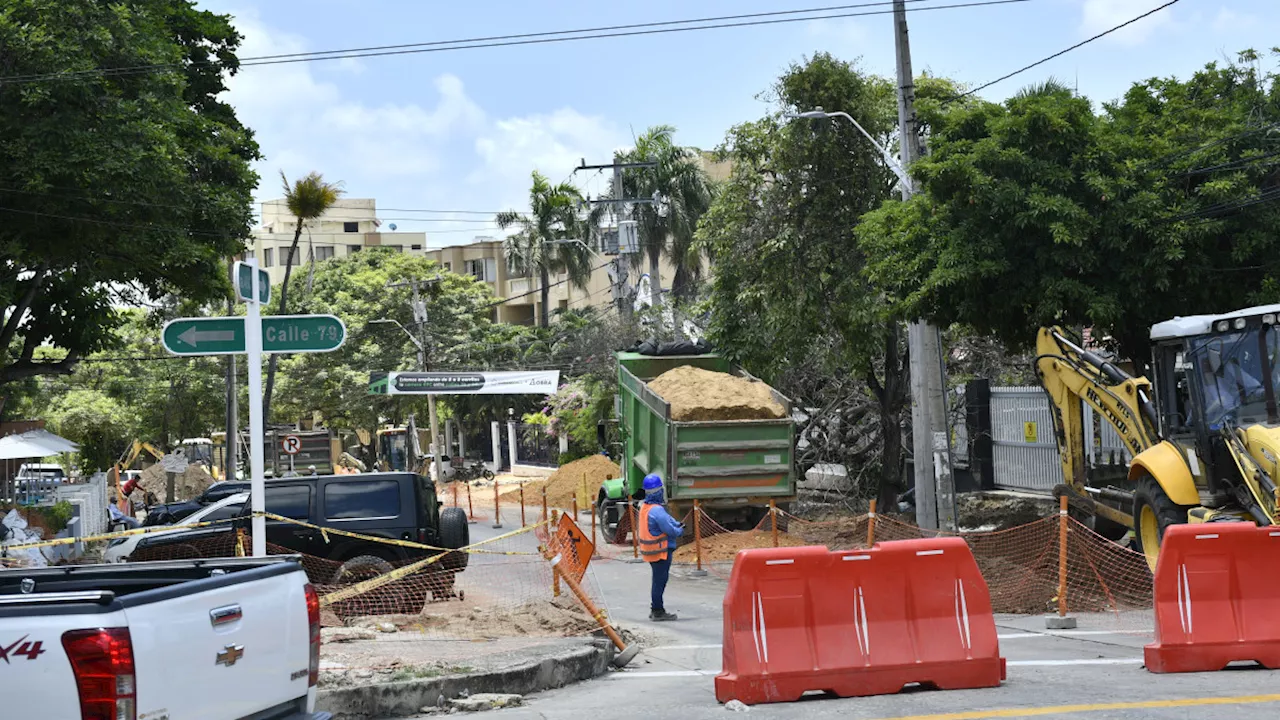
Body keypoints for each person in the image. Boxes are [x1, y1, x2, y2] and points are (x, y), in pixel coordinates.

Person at [638, 473, 684, 621]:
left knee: (657, 580)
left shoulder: (645, 507)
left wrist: (676, 523)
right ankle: (657, 610)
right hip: (660, 551)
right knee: (660, 581)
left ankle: (656, 609)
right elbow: (669, 529)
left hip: (651, 551)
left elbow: (668, 520)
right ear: (659, 491)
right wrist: (679, 530)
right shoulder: (657, 510)